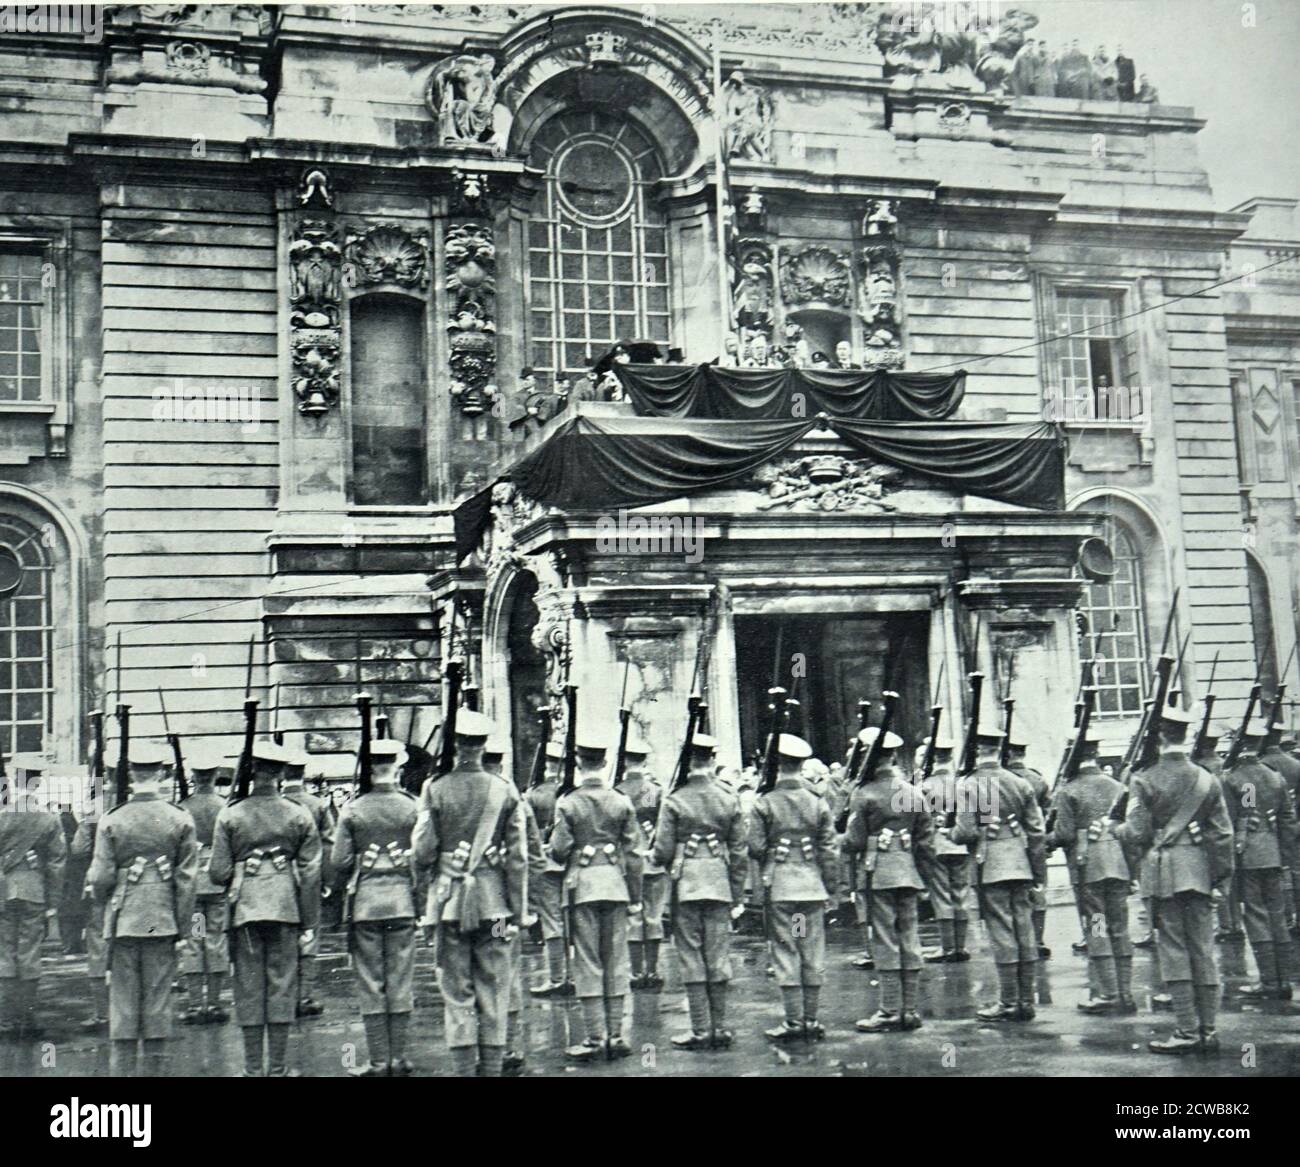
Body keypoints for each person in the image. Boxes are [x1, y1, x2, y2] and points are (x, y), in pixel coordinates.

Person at [412, 710, 527, 1077]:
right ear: (483, 746)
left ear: (456, 744)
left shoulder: (435, 787)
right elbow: (519, 859)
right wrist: (518, 912)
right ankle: (492, 1069)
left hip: (449, 909)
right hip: (496, 914)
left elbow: (423, 852)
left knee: (455, 990)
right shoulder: (505, 789)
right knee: (494, 985)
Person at [1116, 707, 1233, 1054]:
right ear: (1184, 735)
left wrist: (1117, 829)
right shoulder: (1206, 778)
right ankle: (1208, 1030)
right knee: (1203, 949)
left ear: (1160, 736)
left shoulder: (1144, 778)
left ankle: (1186, 1030)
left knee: (1174, 951)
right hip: (1199, 872)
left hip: (1165, 873)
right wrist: (1219, 878)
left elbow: (1137, 832)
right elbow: (1222, 836)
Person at [209, 740, 322, 1077]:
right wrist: (309, 921)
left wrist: (243, 869)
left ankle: (252, 1068)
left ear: (252, 770)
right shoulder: (298, 814)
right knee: (282, 985)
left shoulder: (230, 813)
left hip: (245, 911)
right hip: (286, 908)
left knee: (248, 987)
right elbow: (311, 872)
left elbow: (218, 873)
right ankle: (278, 1067)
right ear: (282, 773)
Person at [88, 742, 198, 1075]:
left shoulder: (113, 819)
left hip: (125, 921)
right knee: (158, 1002)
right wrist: (182, 928)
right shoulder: (180, 818)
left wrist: (106, 900)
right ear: (163, 773)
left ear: (131, 775)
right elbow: (187, 882)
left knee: (122, 1004)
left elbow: (102, 878)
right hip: (162, 921)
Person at [549, 736, 643, 1061]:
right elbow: (634, 854)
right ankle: (616, 1036)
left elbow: (558, 851)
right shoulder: (620, 801)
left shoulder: (568, 802)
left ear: (578, 765)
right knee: (616, 960)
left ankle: (594, 1037)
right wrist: (636, 896)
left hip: (582, 889)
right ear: (604, 764)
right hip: (615, 886)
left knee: (588, 962)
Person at [652, 732, 747, 1050]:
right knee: (718, 955)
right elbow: (739, 852)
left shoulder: (675, 799)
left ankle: (701, 1029)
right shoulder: (728, 797)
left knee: (691, 956)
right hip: (719, 884)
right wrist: (736, 894)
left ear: (687, 759)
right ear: (712, 759)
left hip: (687, 887)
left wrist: (655, 857)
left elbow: (663, 852)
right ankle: (720, 1028)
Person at [331, 738, 420, 1076]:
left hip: (367, 904)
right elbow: (424, 855)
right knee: (400, 979)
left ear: (368, 769)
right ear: (396, 767)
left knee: (371, 982)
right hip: (403, 902)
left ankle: (378, 1060)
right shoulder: (413, 806)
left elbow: (338, 861)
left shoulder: (353, 809)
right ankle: (399, 1058)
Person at [953, 728, 1046, 1022]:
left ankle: (1008, 1002)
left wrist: (952, 834)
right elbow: (1037, 832)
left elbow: (965, 831)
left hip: (991, 864)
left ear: (976, 751)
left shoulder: (969, 785)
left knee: (1002, 933)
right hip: (1020, 863)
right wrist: (1038, 872)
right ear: (999, 750)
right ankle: (1026, 1001)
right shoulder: (1020, 782)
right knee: (1025, 930)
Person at [847, 727, 935, 1032]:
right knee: (909, 937)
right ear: (894, 757)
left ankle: (888, 1010)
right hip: (908, 872)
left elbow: (855, 840)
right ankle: (909, 1010)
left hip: (878, 874)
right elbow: (926, 842)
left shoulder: (865, 793)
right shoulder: (913, 792)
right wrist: (926, 879)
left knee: (884, 940)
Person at [751, 733, 837, 1041]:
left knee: (787, 951)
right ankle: (811, 1020)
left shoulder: (765, 802)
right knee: (810, 950)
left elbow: (756, 846)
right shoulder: (817, 803)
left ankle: (793, 1021)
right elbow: (829, 850)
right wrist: (832, 888)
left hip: (782, 890)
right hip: (811, 889)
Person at [1049, 726, 1136, 1013]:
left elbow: (1063, 834)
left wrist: (1042, 842)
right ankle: (1125, 992)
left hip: (1090, 870)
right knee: (1120, 928)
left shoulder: (1069, 790)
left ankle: (1108, 994)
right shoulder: (1117, 786)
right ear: (1096, 754)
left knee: (1097, 927)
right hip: (1118, 865)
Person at [481, 736, 542, 1075]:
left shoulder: (458, 788)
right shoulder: (513, 798)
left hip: (466, 906)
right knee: (505, 969)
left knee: (472, 974)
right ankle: (510, 1044)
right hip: (503, 907)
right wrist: (526, 903)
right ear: (500, 763)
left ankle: (486, 1045)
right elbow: (532, 854)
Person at [1223, 723, 1295, 1000]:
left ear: (1239, 743)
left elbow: (1233, 820)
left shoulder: (1237, 777)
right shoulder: (1274, 776)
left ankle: (1268, 981)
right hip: (1273, 853)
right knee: (1277, 915)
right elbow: (1287, 821)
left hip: (1249, 855)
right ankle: (1283, 980)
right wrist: (1283, 854)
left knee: (1255, 915)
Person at [0, 760, 66, 1038]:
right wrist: (53, 902)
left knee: (4, 952)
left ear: (16, 782)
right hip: (34, 891)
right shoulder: (49, 818)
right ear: (38, 783)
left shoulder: (3, 814)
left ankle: (4, 1019)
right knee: (29, 954)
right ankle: (26, 1019)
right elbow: (57, 864)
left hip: (3, 890)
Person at [176, 745, 232, 1025]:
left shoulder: (183, 807)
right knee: (216, 940)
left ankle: (196, 1004)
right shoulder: (226, 806)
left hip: (193, 887)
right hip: (218, 885)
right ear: (214, 775)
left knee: (195, 941)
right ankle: (215, 1003)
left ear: (194, 776)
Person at [281, 743, 333, 1018]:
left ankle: (286, 994)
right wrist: (327, 880)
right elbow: (328, 845)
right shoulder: (318, 805)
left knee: (287, 935)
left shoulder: (278, 805)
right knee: (310, 934)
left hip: (282, 880)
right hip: (310, 878)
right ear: (303, 773)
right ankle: (304, 996)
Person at [617, 737, 667, 990]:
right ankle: (653, 970)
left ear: (624, 760)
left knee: (634, 917)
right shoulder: (650, 789)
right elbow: (650, 815)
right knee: (654, 916)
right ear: (644, 760)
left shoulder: (618, 789)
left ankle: (637, 972)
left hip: (628, 860)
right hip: (651, 858)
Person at [916, 738, 972, 962]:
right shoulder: (964, 782)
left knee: (942, 896)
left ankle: (947, 948)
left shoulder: (925, 785)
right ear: (950, 756)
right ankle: (961, 947)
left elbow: (916, 818)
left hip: (937, 844)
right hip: (961, 844)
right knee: (961, 894)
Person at [525, 741, 572, 997]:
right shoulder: (570, 792)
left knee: (551, 922)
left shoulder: (534, 793)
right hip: (571, 862)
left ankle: (556, 977)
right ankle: (573, 975)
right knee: (568, 921)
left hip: (545, 863)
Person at [1005, 735, 1052, 957]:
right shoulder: (1037, 780)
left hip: (1010, 846)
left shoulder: (1002, 780)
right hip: (1036, 843)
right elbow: (1050, 815)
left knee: (1015, 900)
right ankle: (1096, 940)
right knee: (1038, 892)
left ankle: (1022, 943)